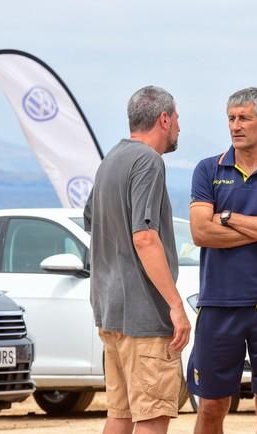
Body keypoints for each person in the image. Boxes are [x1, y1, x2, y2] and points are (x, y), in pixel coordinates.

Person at [188, 87, 257, 434]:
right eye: (231, 118)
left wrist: (227, 217)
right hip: (218, 304)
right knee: (211, 406)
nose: (235, 126)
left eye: (244, 118)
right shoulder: (208, 169)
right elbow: (200, 233)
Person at [87, 85, 191, 434]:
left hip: (110, 311)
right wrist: (175, 305)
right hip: (145, 317)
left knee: (120, 415)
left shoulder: (111, 160)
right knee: (151, 417)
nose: (179, 126)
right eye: (176, 118)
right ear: (164, 119)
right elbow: (145, 236)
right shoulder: (148, 161)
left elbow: (92, 219)